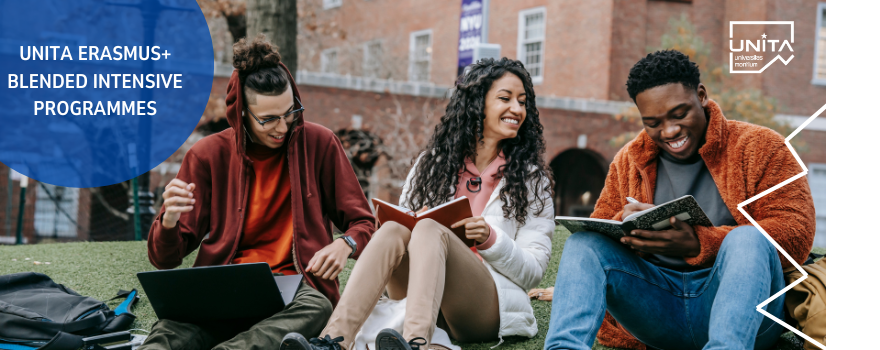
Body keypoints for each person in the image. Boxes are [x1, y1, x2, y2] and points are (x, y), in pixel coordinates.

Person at [544, 49, 816, 350]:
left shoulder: (763, 147)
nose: (670, 131)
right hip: (658, 310)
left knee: (748, 239)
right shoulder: (629, 160)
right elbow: (602, 232)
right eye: (653, 122)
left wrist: (701, 243)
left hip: (745, 314)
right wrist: (626, 225)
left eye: (679, 114)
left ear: (701, 95)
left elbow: (797, 234)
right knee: (584, 244)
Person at [279, 58, 555, 350]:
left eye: (523, 102)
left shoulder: (531, 180)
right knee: (394, 229)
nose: (517, 109)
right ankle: (333, 341)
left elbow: (533, 270)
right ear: (477, 103)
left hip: (483, 305)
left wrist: (491, 239)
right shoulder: (432, 164)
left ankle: (416, 342)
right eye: (505, 98)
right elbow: (405, 228)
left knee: (430, 229)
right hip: (419, 293)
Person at [141, 35, 376, 350]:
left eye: (290, 112)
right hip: (223, 285)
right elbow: (164, 259)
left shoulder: (320, 144)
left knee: (318, 307)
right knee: (170, 332)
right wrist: (168, 221)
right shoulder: (207, 154)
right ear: (241, 113)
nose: (282, 126)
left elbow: (364, 223)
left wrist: (345, 244)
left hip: (294, 289)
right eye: (268, 119)